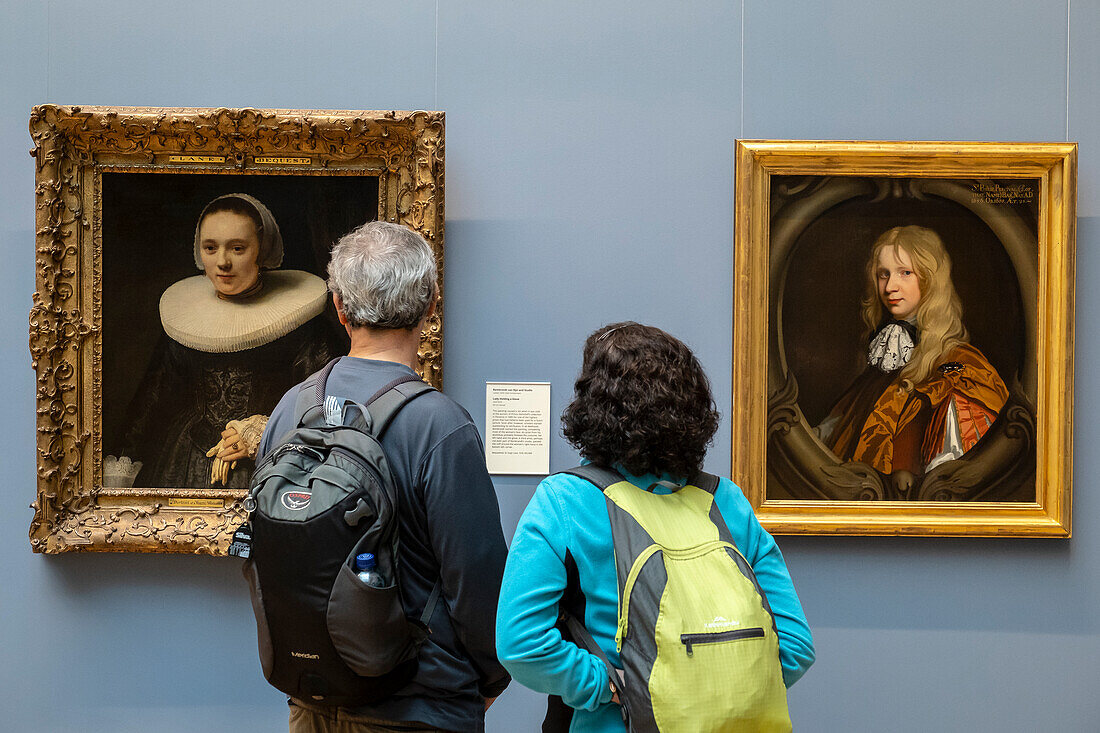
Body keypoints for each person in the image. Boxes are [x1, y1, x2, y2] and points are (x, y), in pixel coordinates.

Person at [496, 322, 815, 732]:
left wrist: (608, 687)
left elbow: (521, 644)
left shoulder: (566, 501)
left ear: (592, 406)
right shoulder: (726, 502)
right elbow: (794, 647)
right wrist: (716, 692)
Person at [258, 220, 510, 733]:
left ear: (339, 307)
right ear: (430, 307)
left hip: (310, 700)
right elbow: (477, 578)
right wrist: (490, 678)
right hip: (417, 706)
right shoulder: (440, 424)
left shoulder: (291, 409)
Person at [111, 193, 340, 489]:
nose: (223, 262)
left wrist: (264, 430)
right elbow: (151, 404)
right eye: (210, 248)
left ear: (262, 250)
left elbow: (330, 407)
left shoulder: (302, 325)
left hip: (272, 464)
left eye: (238, 248)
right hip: (185, 459)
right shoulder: (184, 321)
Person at [816, 226, 1009, 492]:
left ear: (930, 280)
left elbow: (951, 471)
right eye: (883, 274)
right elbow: (841, 426)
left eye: (904, 273)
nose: (890, 287)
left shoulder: (961, 365)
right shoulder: (886, 358)